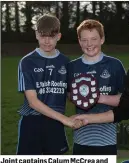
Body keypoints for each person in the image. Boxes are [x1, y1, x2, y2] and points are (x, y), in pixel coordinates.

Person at [17, 14, 81, 155]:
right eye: (43, 36)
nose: (47, 41)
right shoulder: (27, 61)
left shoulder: (66, 62)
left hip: (55, 125)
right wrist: (65, 119)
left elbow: (71, 94)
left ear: (59, 36)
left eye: (51, 36)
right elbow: (33, 102)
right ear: (36, 35)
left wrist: (87, 96)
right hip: (32, 123)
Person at [68, 19, 125, 155]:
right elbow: (69, 96)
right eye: (85, 40)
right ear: (79, 41)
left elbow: (126, 99)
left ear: (102, 39)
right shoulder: (72, 67)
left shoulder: (114, 65)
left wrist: (97, 97)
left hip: (107, 140)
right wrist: (77, 96)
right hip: (81, 139)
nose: (89, 44)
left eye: (94, 39)